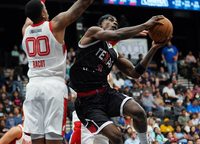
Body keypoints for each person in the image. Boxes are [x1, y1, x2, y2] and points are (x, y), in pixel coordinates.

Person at [69, 13, 171, 144]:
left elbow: (135, 73)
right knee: (116, 136)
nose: (114, 22)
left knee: (139, 112)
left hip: (105, 93)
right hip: (87, 101)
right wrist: (146, 25)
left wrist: (153, 48)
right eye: (110, 20)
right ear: (100, 25)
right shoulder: (92, 33)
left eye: (116, 21)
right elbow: (117, 35)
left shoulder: (114, 53)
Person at [21, 0, 99, 143]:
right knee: (54, 136)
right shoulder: (55, 25)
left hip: (32, 88)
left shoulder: (25, 30)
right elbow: (85, 1)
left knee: (37, 138)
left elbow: (33, 11)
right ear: (43, 13)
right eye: (45, 8)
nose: (47, 10)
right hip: (53, 87)